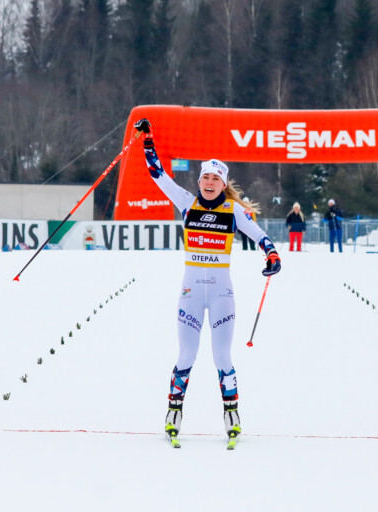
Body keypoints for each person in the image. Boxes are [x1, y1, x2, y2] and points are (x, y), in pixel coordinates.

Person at [134, 118, 281, 448]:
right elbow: (158, 175)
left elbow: (260, 237)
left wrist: (272, 255)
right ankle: (174, 412)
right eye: (206, 177)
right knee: (186, 354)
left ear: (223, 183)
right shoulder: (188, 202)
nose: (210, 182)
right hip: (189, 293)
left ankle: (232, 415)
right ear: (199, 182)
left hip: (221, 295)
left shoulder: (232, 210)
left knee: (222, 357)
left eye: (216, 178)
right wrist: (147, 139)